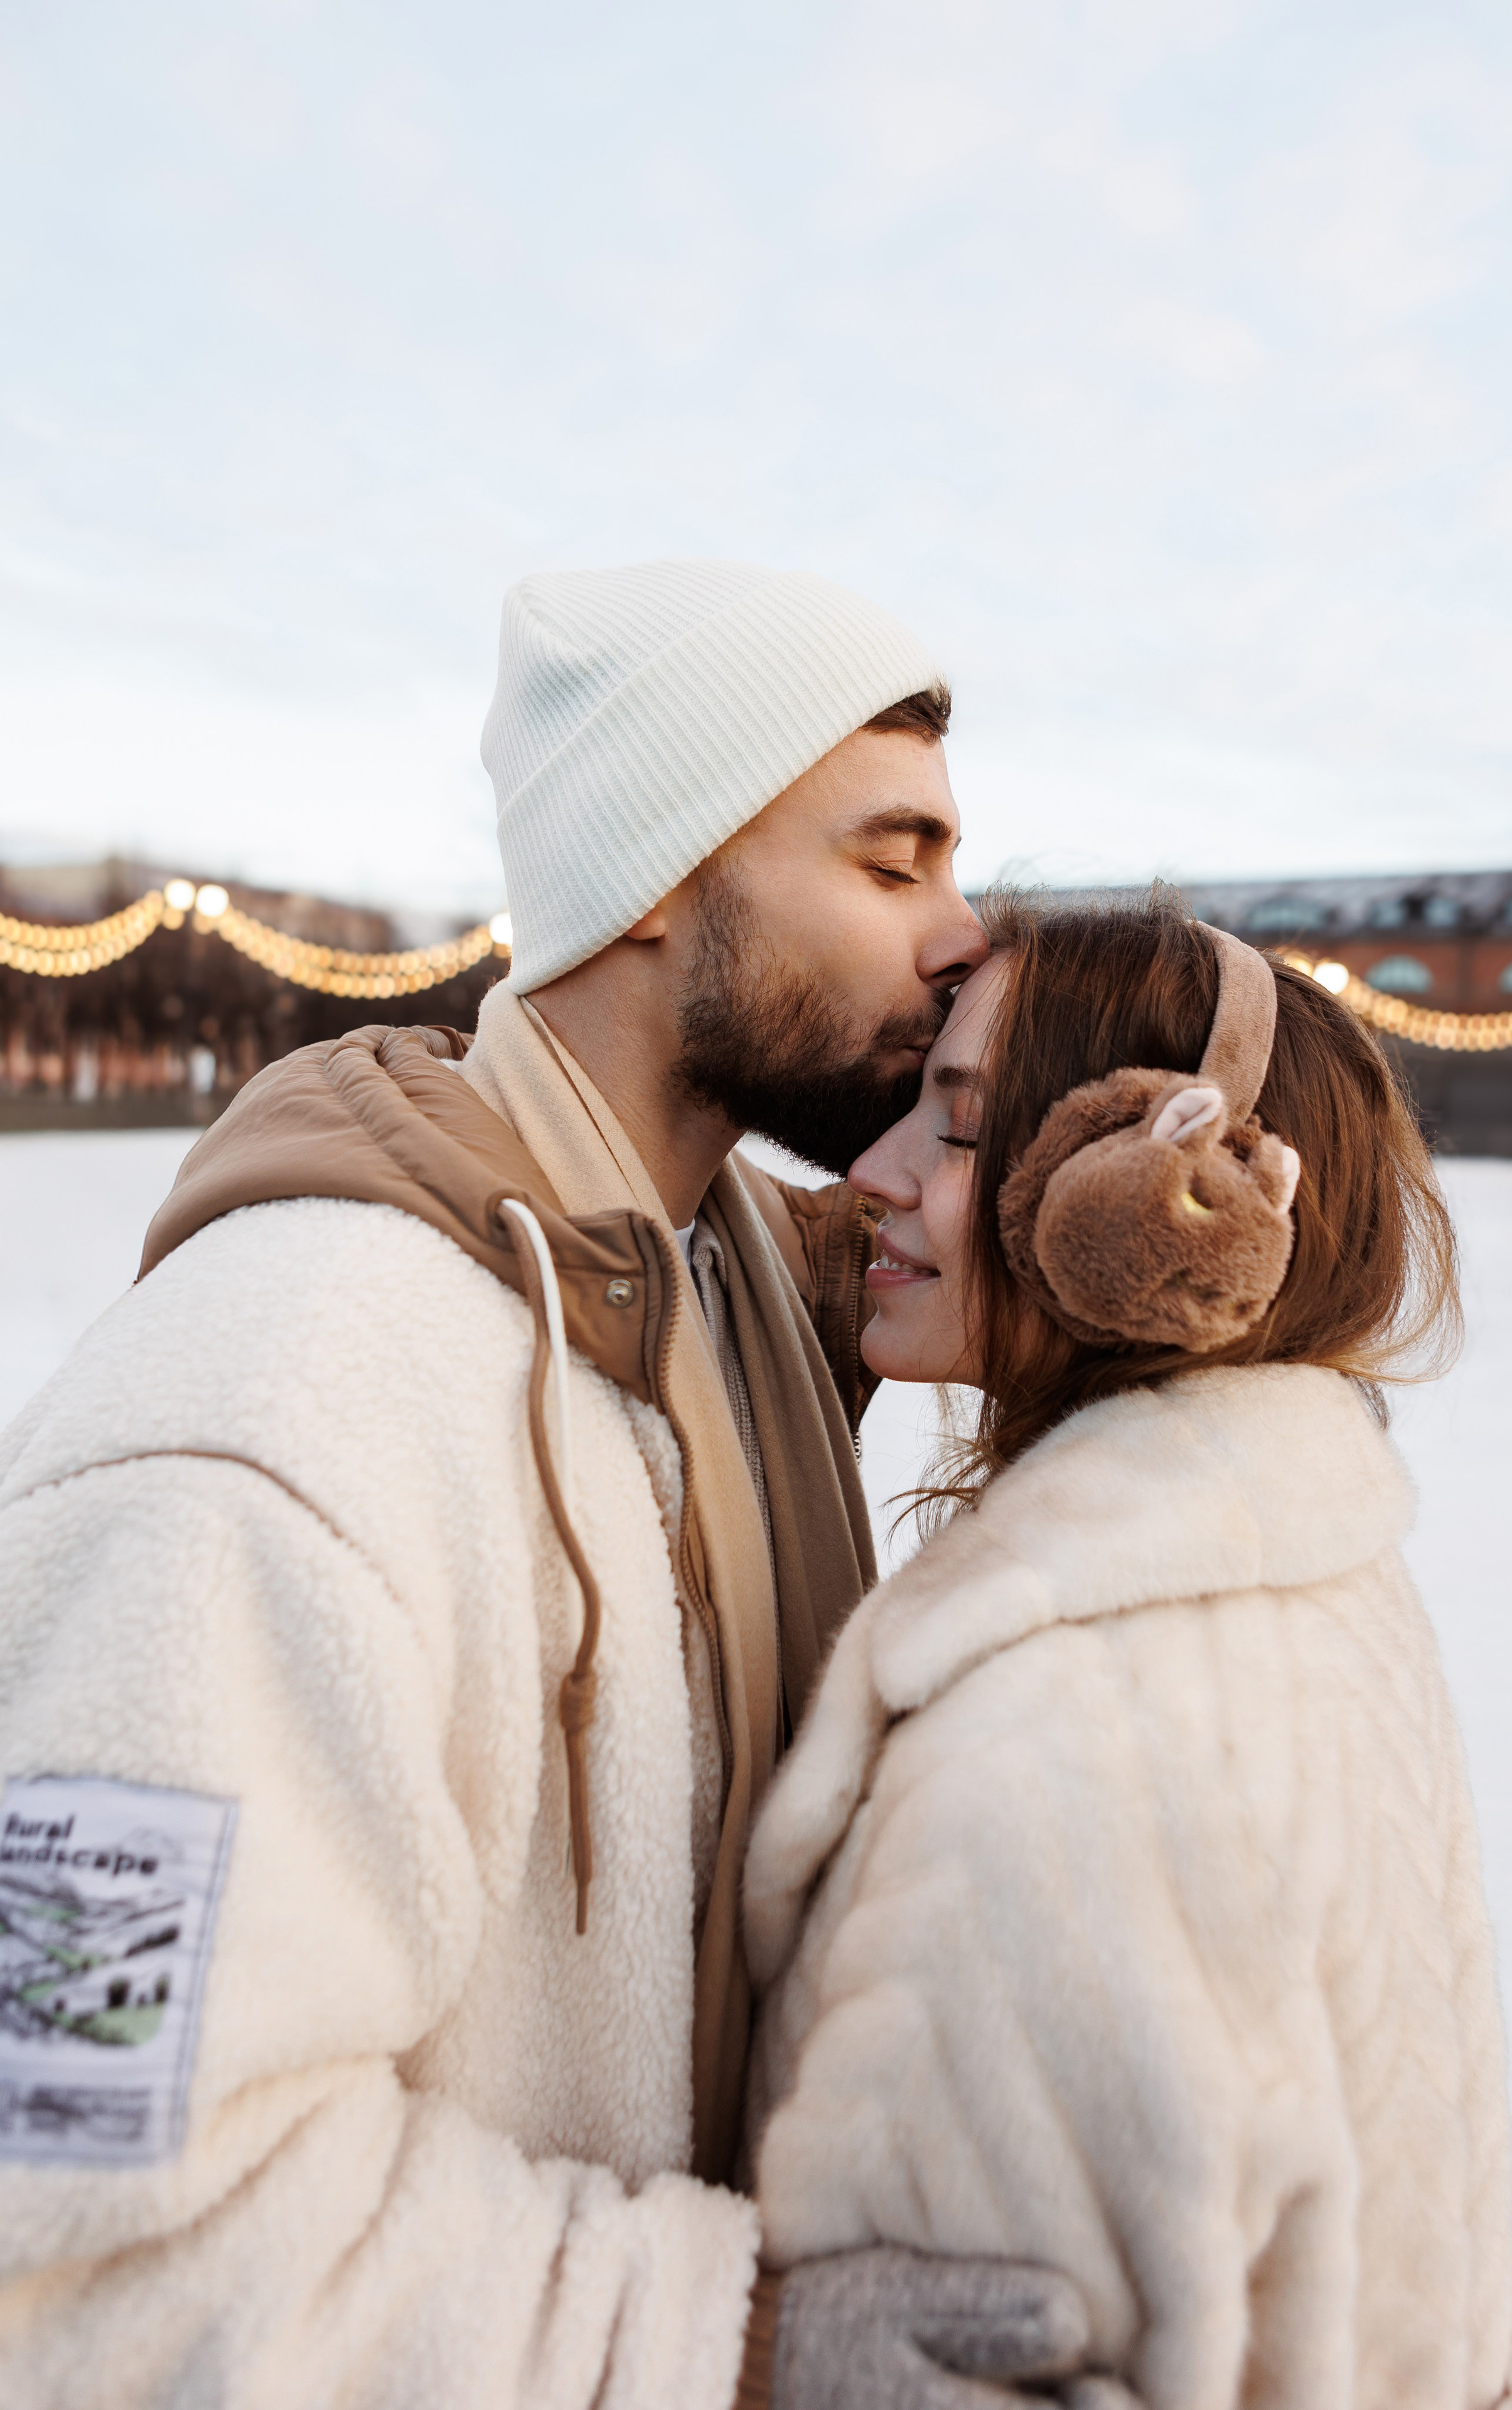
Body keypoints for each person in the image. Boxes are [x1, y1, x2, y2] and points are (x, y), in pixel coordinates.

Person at [0, 563, 1092, 2408]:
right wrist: (706, 2342)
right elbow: (71, 2205)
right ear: (658, 873)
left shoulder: (727, 1279)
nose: (962, 939)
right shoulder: (279, 1410)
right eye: (892, 864)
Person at [744, 891, 1512, 2410]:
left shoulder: (1066, 1740)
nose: (869, 1174)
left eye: (960, 1127)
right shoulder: (1295, 1568)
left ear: (1133, 1203)